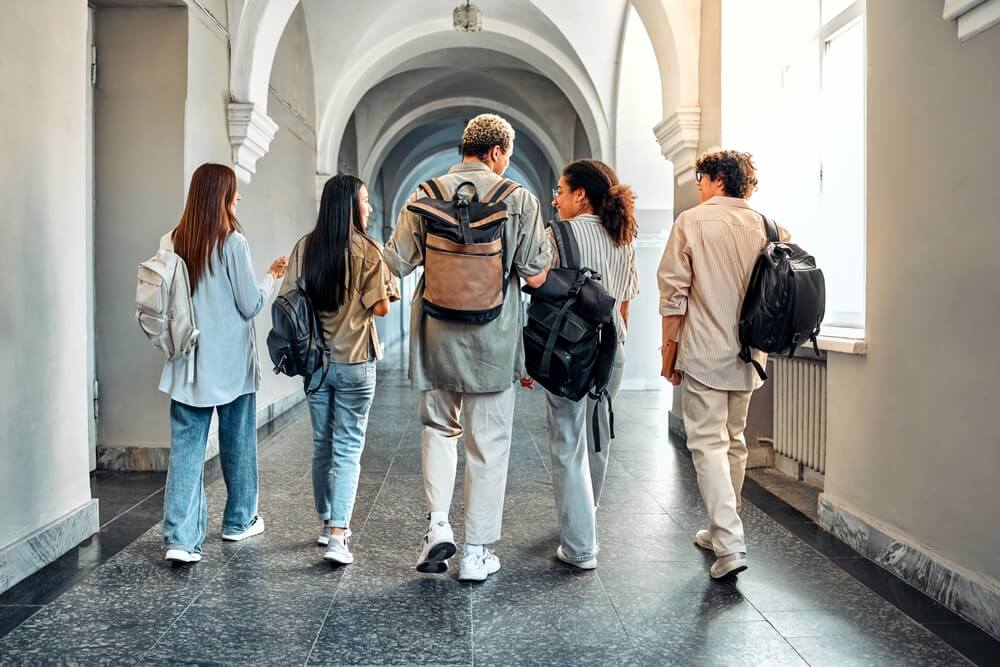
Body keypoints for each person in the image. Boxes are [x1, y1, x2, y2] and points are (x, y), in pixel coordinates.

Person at [384, 113, 551, 582]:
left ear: (465, 148)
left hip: (436, 335)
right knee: (488, 445)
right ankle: (476, 553)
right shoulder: (517, 199)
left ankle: (438, 526)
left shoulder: (423, 194)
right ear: (497, 152)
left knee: (438, 429)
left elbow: (395, 263)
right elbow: (536, 274)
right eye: (508, 157)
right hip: (493, 340)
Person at [657, 150, 790, 579]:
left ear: (718, 178)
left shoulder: (691, 222)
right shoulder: (772, 227)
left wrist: (668, 353)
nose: (698, 185)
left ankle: (729, 544)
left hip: (704, 352)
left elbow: (674, 295)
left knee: (708, 445)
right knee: (733, 442)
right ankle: (720, 532)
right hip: (751, 354)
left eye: (701, 177)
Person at [159, 163, 287, 563]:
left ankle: (180, 540)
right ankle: (239, 521)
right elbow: (249, 305)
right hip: (231, 366)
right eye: (233, 191)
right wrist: (271, 278)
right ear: (220, 196)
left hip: (186, 364)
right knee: (238, 444)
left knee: (186, 451)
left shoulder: (172, 240)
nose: (238, 198)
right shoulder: (233, 243)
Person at [280, 174, 397, 566]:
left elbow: (288, 301)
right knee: (347, 448)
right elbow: (380, 307)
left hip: (316, 364)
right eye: (364, 201)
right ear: (349, 205)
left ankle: (326, 518)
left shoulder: (305, 248)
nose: (368, 207)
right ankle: (338, 536)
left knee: (322, 445)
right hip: (356, 362)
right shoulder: (367, 250)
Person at [536, 159, 639, 570]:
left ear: (581, 194)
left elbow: (538, 286)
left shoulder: (557, 234)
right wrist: (616, 346)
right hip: (614, 349)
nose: (555, 199)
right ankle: (585, 517)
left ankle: (579, 547)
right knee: (598, 436)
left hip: (568, 352)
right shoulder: (624, 237)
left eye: (560, 191)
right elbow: (626, 304)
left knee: (567, 441)